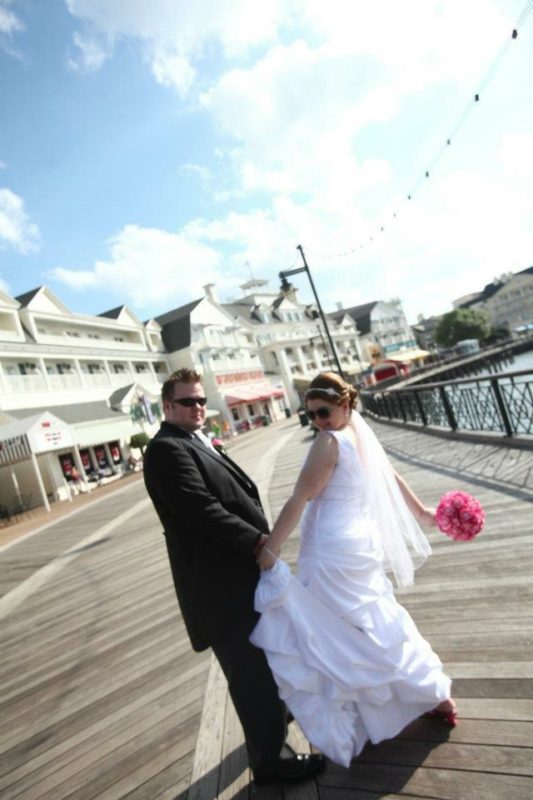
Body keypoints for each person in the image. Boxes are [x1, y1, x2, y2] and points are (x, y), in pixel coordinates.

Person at [251, 371, 456, 768]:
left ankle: (374, 707)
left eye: (324, 411)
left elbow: (299, 498)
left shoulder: (329, 443)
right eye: (310, 414)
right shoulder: (362, 436)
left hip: (332, 551)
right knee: (374, 623)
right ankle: (432, 693)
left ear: (345, 405)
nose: (318, 421)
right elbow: (390, 478)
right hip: (361, 546)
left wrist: (271, 549)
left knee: (338, 634)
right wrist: (423, 513)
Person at [143, 368, 324, 785]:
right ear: (167, 406)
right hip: (219, 588)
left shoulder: (190, 440)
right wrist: (260, 542)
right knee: (250, 674)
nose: (198, 407)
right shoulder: (166, 449)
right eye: (188, 402)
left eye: (201, 399)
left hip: (237, 577)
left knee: (264, 662)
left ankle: (273, 722)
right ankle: (269, 761)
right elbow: (200, 510)